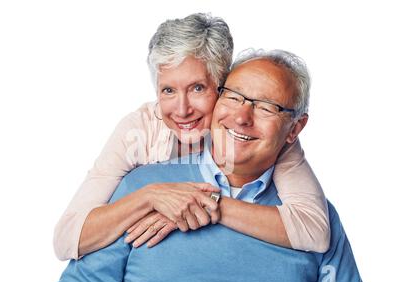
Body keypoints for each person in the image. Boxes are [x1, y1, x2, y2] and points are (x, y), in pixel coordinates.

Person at [49, 49, 364, 282]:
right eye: (234, 97)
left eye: (266, 107)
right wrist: (151, 198)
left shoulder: (313, 217)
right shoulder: (141, 186)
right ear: (217, 100)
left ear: (295, 129)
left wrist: (209, 206)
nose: (242, 117)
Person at [53, 13, 330, 261]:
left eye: (198, 88)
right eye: (168, 91)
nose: (182, 110)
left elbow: (315, 232)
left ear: (224, 87)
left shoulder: (259, 135)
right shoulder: (139, 129)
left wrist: (208, 206)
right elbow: (67, 239)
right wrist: (150, 197)